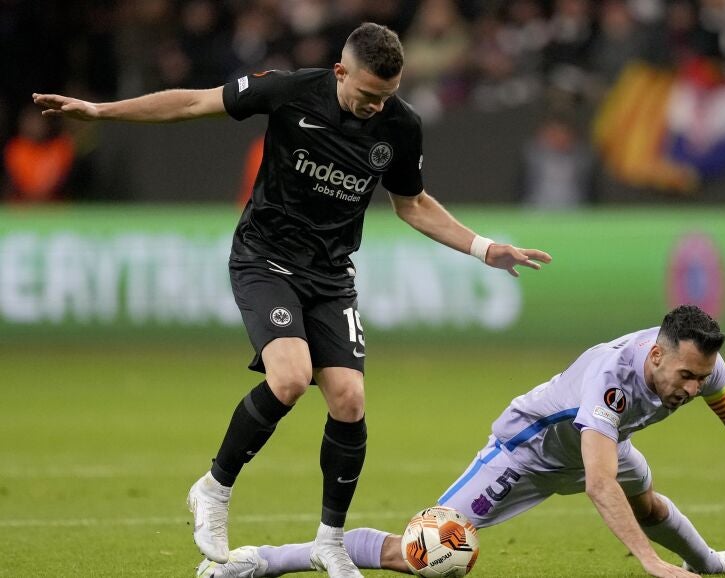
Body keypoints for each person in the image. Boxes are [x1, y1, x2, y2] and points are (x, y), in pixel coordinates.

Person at [33, 22, 551, 578]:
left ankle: (330, 542)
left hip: (330, 275)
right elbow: (193, 103)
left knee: (349, 399)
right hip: (265, 259)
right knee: (290, 378)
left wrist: (483, 248)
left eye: (387, 95)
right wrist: (101, 111)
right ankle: (214, 488)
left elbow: (412, 203)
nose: (376, 106)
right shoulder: (289, 90)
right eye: (367, 94)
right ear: (340, 72)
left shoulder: (401, 125)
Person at [197, 305, 725, 578]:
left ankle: (712, 564)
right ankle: (264, 559)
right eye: (685, 376)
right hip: (529, 451)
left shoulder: (705, 366)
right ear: (656, 355)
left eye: (700, 378)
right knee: (421, 549)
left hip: (601, 443)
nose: (692, 389)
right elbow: (599, 483)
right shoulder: (612, 379)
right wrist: (649, 563)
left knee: (649, 504)